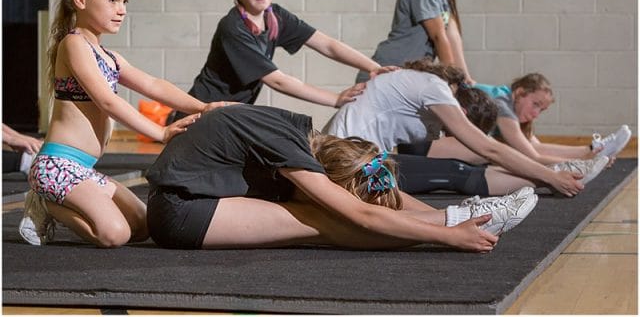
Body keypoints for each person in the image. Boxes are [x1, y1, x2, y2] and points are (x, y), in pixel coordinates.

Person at [19, 0, 227, 247]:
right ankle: (45, 203)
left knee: (144, 226)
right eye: (113, 0)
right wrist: (159, 131)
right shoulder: (73, 44)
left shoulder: (110, 57)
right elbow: (107, 101)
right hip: (57, 167)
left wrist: (203, 106)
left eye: (125, 1)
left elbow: (154, 85)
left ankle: (64, 199)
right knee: (114, 234)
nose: (122, 9)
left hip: (82, 169)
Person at [146, 104, 538, 252]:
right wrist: (449, 234)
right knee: (325, 221)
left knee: (340, 212)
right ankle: (456, 218)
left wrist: (450, 213)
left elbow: (379, 193)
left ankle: (464, 211)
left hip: (192, 196)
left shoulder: (301, 137)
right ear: (329, 177)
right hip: (180, 211)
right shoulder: (291, 149)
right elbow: (362, 215)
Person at [172, 0, 396, 121]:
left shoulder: (275, 16)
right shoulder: (233, 28)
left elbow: (326, 44)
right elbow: (278, 81)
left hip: (230, 114)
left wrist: (372, 67)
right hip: (201, 114)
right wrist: (335, 99)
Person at [325, 59, 588, 197]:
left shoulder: (430, 87)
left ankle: (547, 181)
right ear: (461, 113)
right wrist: (550, 175)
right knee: (454, 172)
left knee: (460, 168)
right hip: (348, 162)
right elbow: (489, 148)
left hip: (355, 154)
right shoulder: (435, 89)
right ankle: (547, 181)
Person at [465, 74, 632, 166]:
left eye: (541, 109)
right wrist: (588, 162)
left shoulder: (508, 98)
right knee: (517, 156)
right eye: (535, 104)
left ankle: (595, 147)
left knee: (527, 149)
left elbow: (535, 147)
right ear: (520, 92)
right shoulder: (502, 105)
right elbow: (533, 158)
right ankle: (594, 151)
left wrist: (589, 153)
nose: (536, 113)